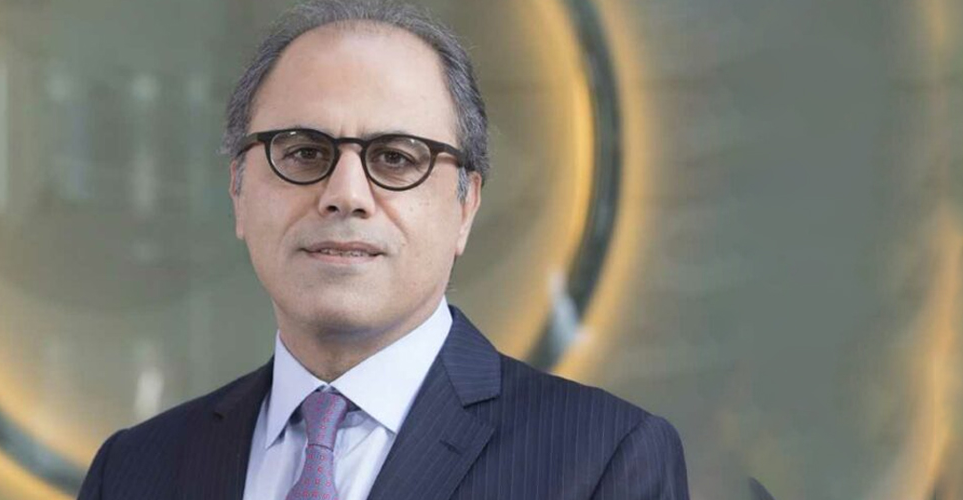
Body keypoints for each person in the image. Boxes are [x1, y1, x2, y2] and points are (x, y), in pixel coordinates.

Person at [77, 1, 688, 498]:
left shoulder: (604, 460)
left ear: (466, 206)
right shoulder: (132, 471)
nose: (345, 195)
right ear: (238, 190)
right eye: (303, 152)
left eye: (396, 158)